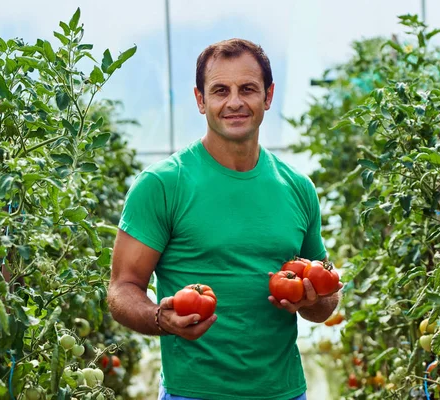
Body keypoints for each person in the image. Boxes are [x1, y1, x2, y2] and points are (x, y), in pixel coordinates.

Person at [108, 38, 343, 400]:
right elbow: (122, 288)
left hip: (284, 392)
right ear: (201, 100)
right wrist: (160, 318)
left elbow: (326, 300)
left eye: (247, 89)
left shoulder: (298, 188)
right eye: (220, 90)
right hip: (192, 393)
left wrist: (311, 299)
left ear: (268, 96)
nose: (234, 102)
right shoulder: (161, 185)